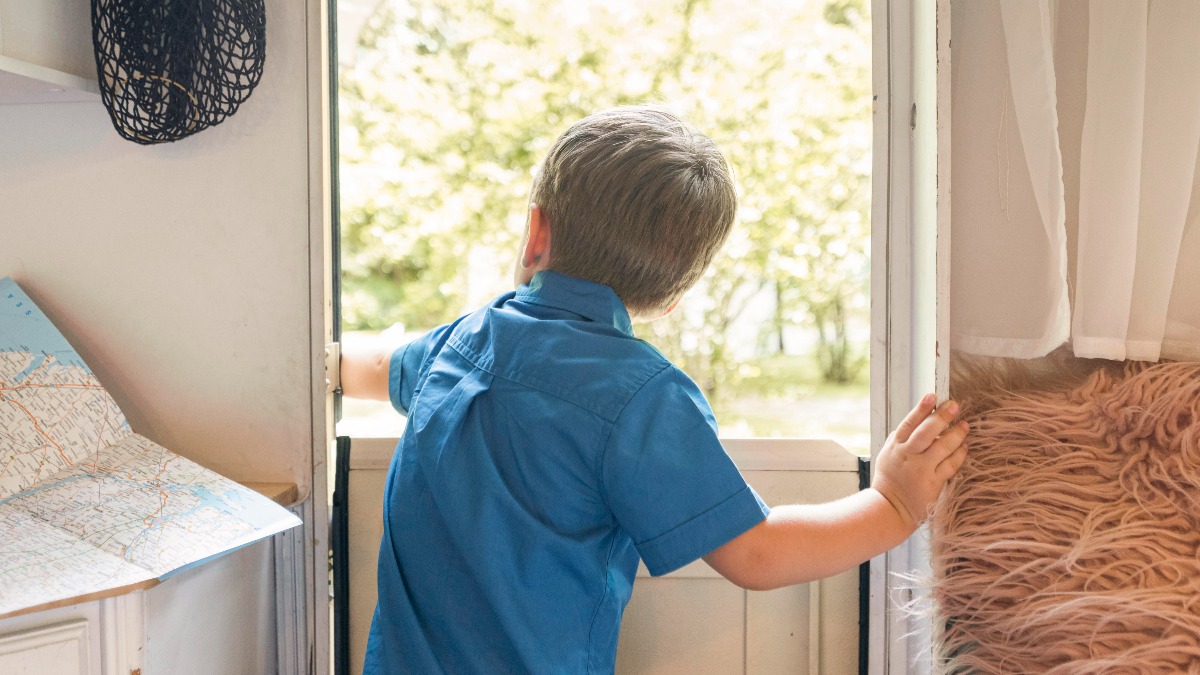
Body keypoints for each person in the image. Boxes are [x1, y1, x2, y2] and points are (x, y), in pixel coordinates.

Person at [341, 105, 969, 674]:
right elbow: (756, 553)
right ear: (671, 300)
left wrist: (323, 362)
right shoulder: (642, 397)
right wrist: (894, 505)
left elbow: (372, 368)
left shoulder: (462, 341)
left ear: (537, 231)